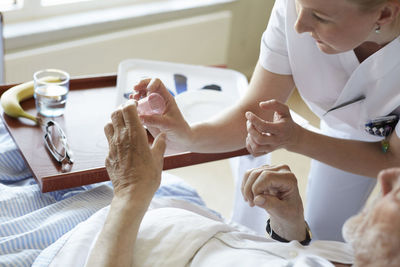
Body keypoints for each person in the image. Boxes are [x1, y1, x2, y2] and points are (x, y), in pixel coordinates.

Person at [132, 0, 400, 241]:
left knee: (386, 243)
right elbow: (256, 109)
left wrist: (298, 139)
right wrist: (189, 135)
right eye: (299, 5)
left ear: (385, 13)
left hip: (393, 153)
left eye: (320, 16)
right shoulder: (293, 11)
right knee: (324, 236)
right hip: (344, 129)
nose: (298, 26)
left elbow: (392, 159)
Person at [80, 101, 399, 267]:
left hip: (97, 242)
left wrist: (130, 192)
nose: (385, 178)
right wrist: (290, 227)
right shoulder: (357, 257)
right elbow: (293, 257)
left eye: (399, 195)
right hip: (165, 215)